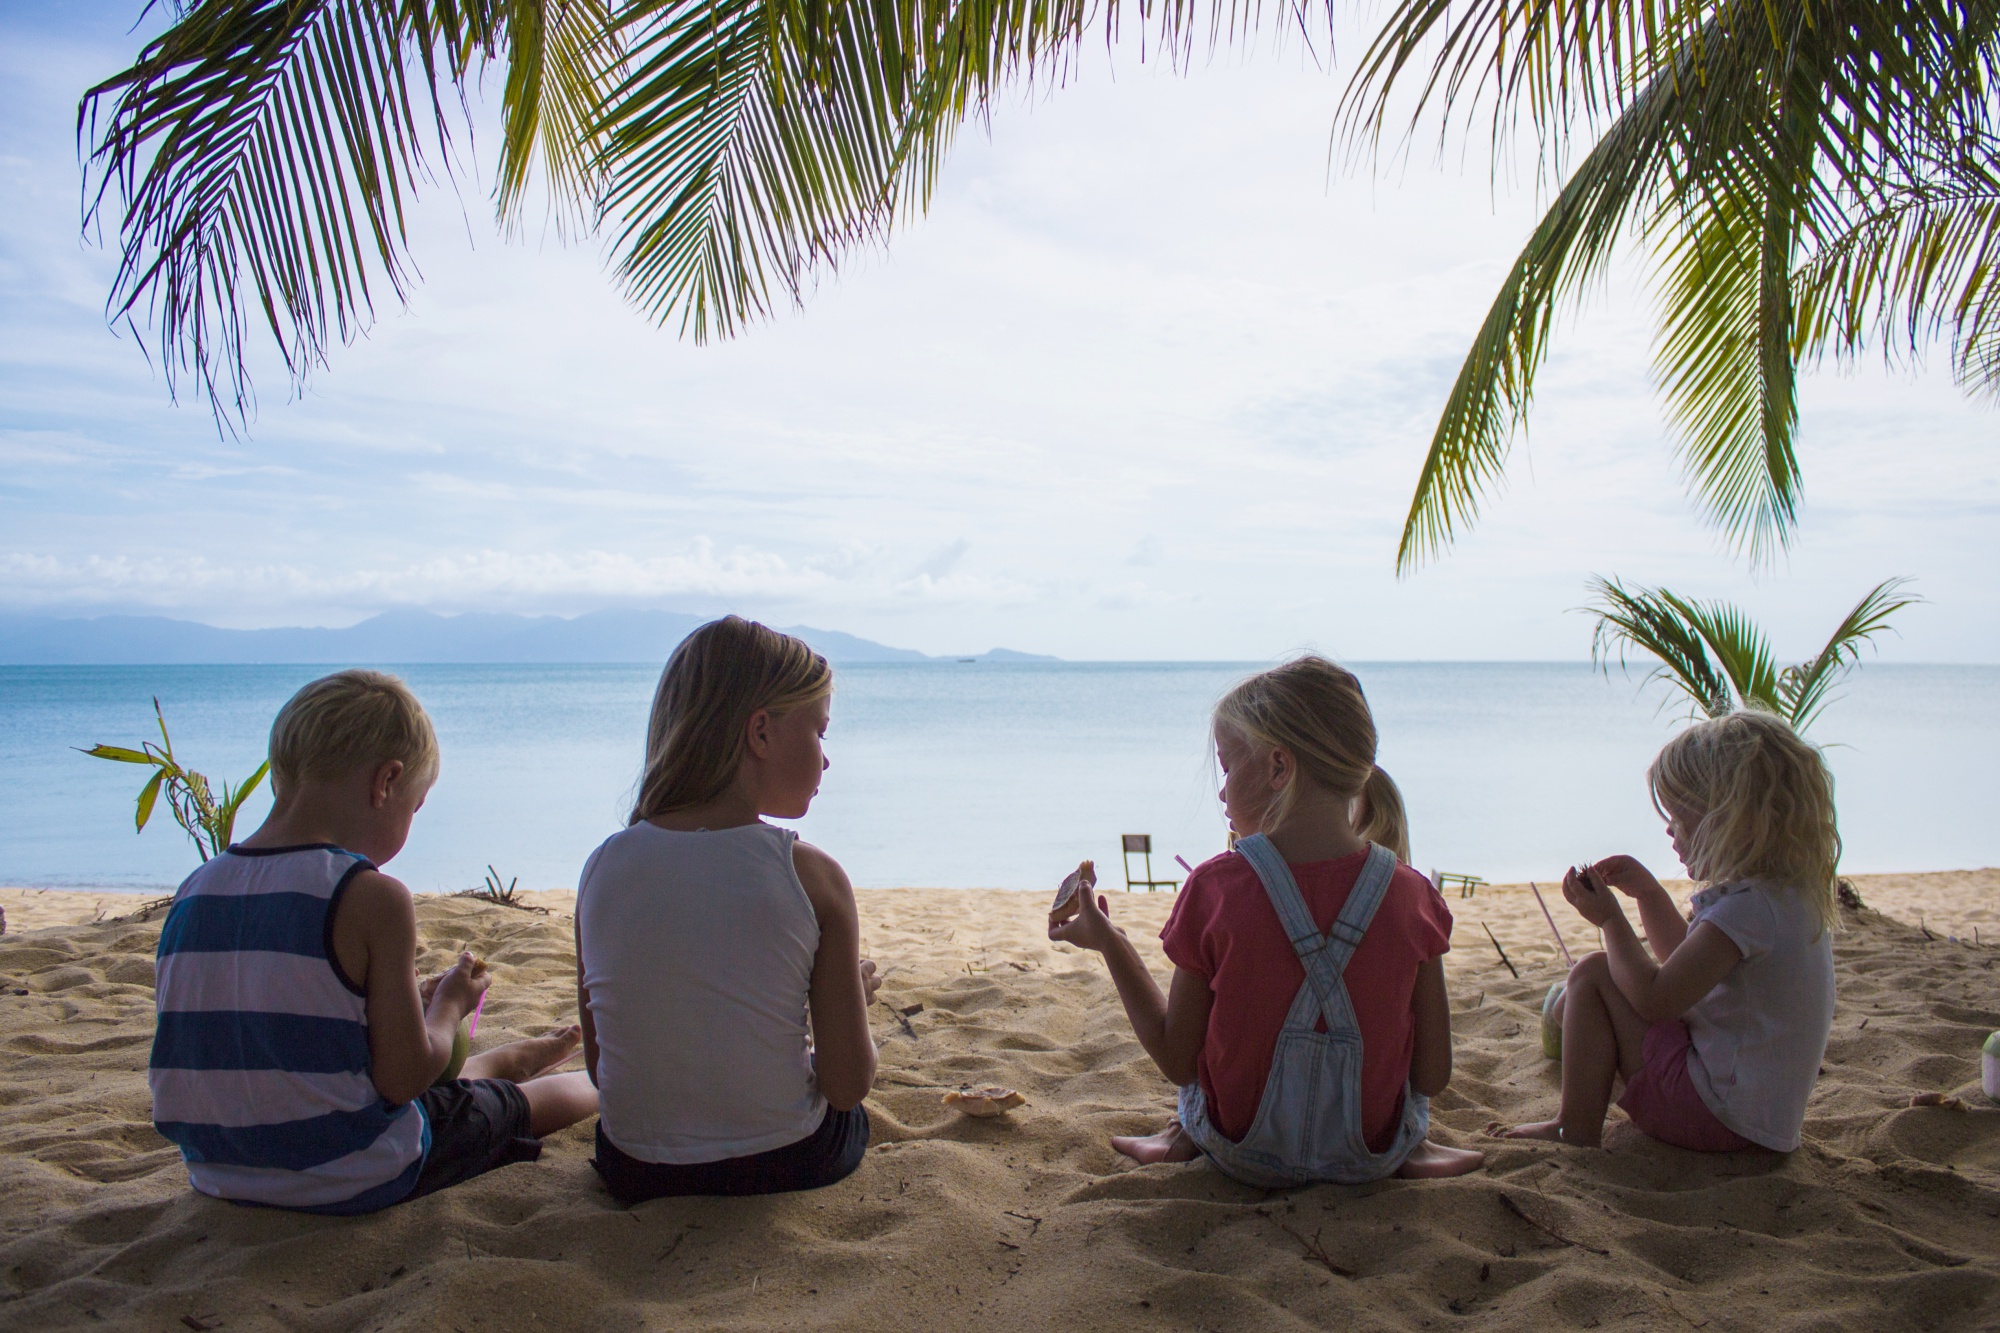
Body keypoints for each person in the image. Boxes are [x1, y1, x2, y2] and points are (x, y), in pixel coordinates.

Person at [149, 670, 598, 1214]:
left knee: (448, 1097)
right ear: (386, 782)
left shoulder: (195, 890)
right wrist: (452, 1005)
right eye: (414, 806)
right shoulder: (370, 895)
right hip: (347, 1170)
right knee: (521, 1104)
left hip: (220, 1170)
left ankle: (507, 1059)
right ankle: (588, 1082)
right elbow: (404, 1077)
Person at [1052, 655, 1483, 1186]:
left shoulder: (1214, 889)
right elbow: (1432, 1075)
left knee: (1204, 1077)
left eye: (1228, 767)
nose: (1222, 790)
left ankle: (1178, 1135)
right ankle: (1418, 1151)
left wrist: (1110, 942)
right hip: (1368, 1156)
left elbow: (1178, 1060)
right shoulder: (1413, 895)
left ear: (1279, 768)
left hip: (1241, 1153)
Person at [576, 617, 882, 1203]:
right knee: (848, 1117)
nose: (826, 760)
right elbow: (846, 1086)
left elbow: (601, 1068)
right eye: (820, 733)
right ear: (760, 734)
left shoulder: (601, 869)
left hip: (636, 1167)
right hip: (786, 1161)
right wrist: (850, 1009)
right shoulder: (813, 879)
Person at [1501, 709, 1840, 1152]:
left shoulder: (1746, 910)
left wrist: (1610, 920)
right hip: (1761, 1123)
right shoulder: (1784, 899)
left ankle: (1573, 1126)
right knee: (1578, 1003)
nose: (1669, 829)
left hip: (1718, 1116)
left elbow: (1657, 999)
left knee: (1592, 974)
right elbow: (1687, 965)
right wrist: (1647, 894)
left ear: (1733, 818)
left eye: (1680, 818)